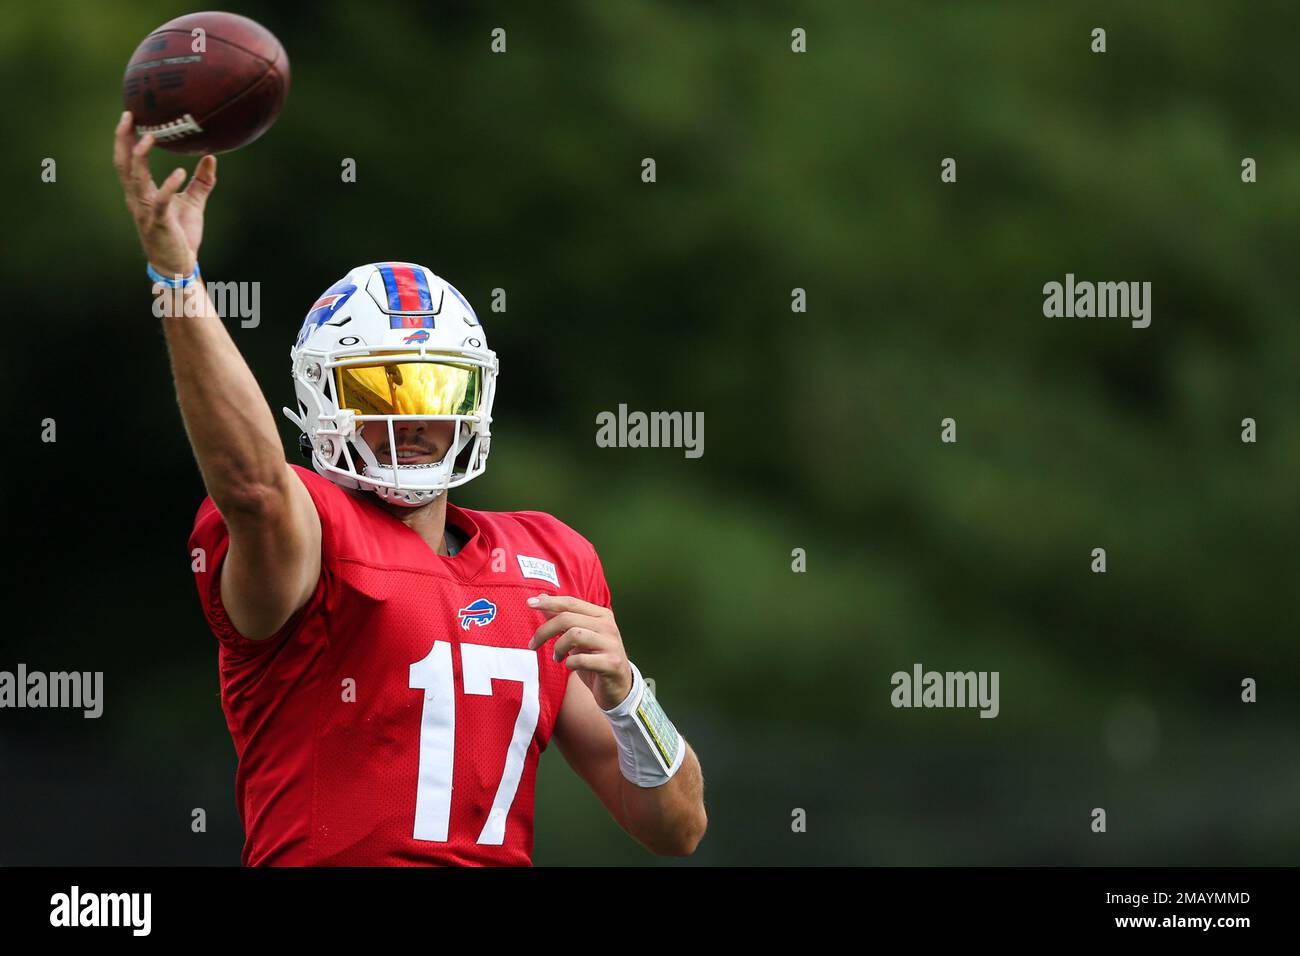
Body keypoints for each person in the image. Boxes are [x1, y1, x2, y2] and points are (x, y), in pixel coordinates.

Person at [112, 111, 707, 865]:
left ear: (474, 399)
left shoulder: (552, 561)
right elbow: (254, 488)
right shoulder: (310, 530)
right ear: (323, 398)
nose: (416, 417)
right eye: (382, 390)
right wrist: (177, 281)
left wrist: (629, 697)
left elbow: (678, 828)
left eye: (437, 389)